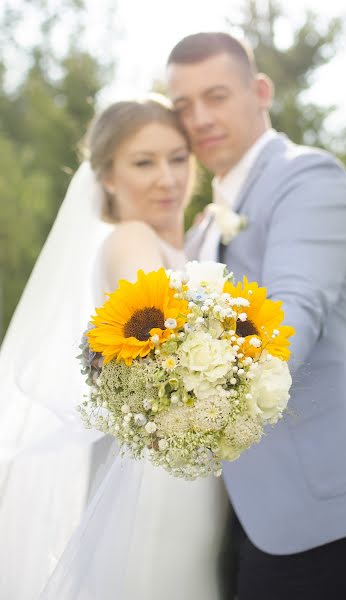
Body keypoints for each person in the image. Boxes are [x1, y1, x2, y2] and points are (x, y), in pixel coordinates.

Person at [166, 32, 346, 600]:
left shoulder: (308, 179)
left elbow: (291, 317)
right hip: (253, 503)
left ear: (260, 91)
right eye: (182, 106)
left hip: (333, 496)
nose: (199, 118)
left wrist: (182, 400)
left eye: (215, 95)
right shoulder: (204, 225)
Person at [0, 96, 230, 599]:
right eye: (143, 162)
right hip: (161, 475)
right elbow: (158, 347)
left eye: (177, 157)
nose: (168, 178)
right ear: (106, 176)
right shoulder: (129, 239)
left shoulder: (173, 241)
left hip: (185, 460)